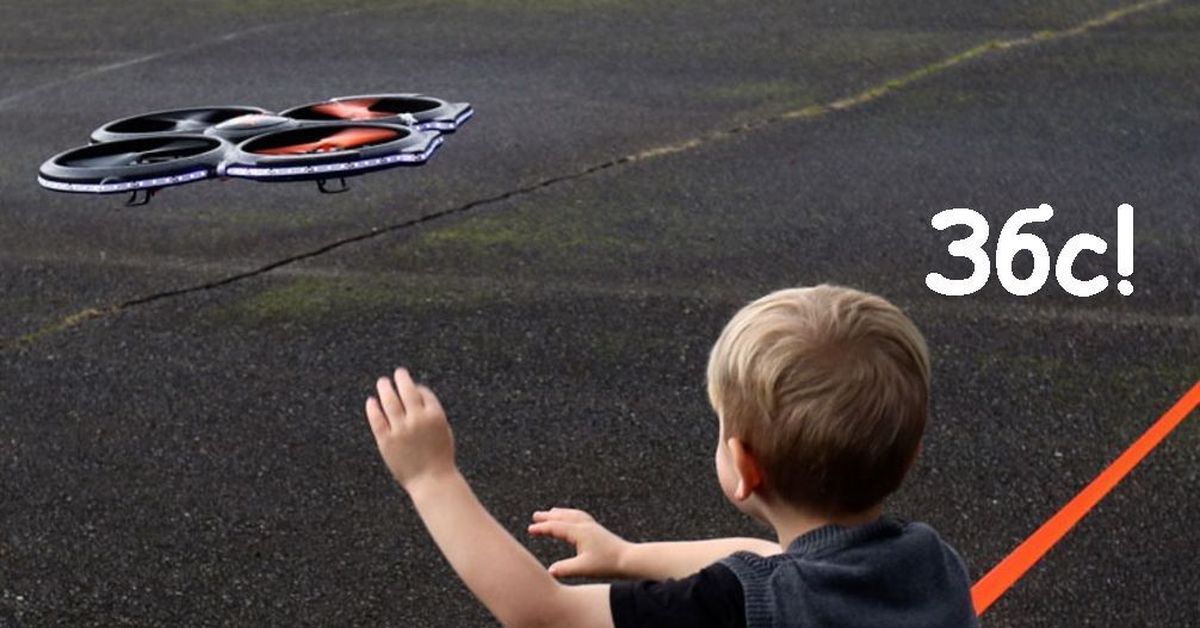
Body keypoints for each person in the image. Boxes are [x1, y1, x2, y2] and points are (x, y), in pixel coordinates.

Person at [365, 284, 978, 627]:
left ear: (744, 467)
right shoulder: (930, 561)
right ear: (912, 453)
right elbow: (773, 559)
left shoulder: (736, 607)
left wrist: (431, 477)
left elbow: (541, 613)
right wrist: (628, 557)